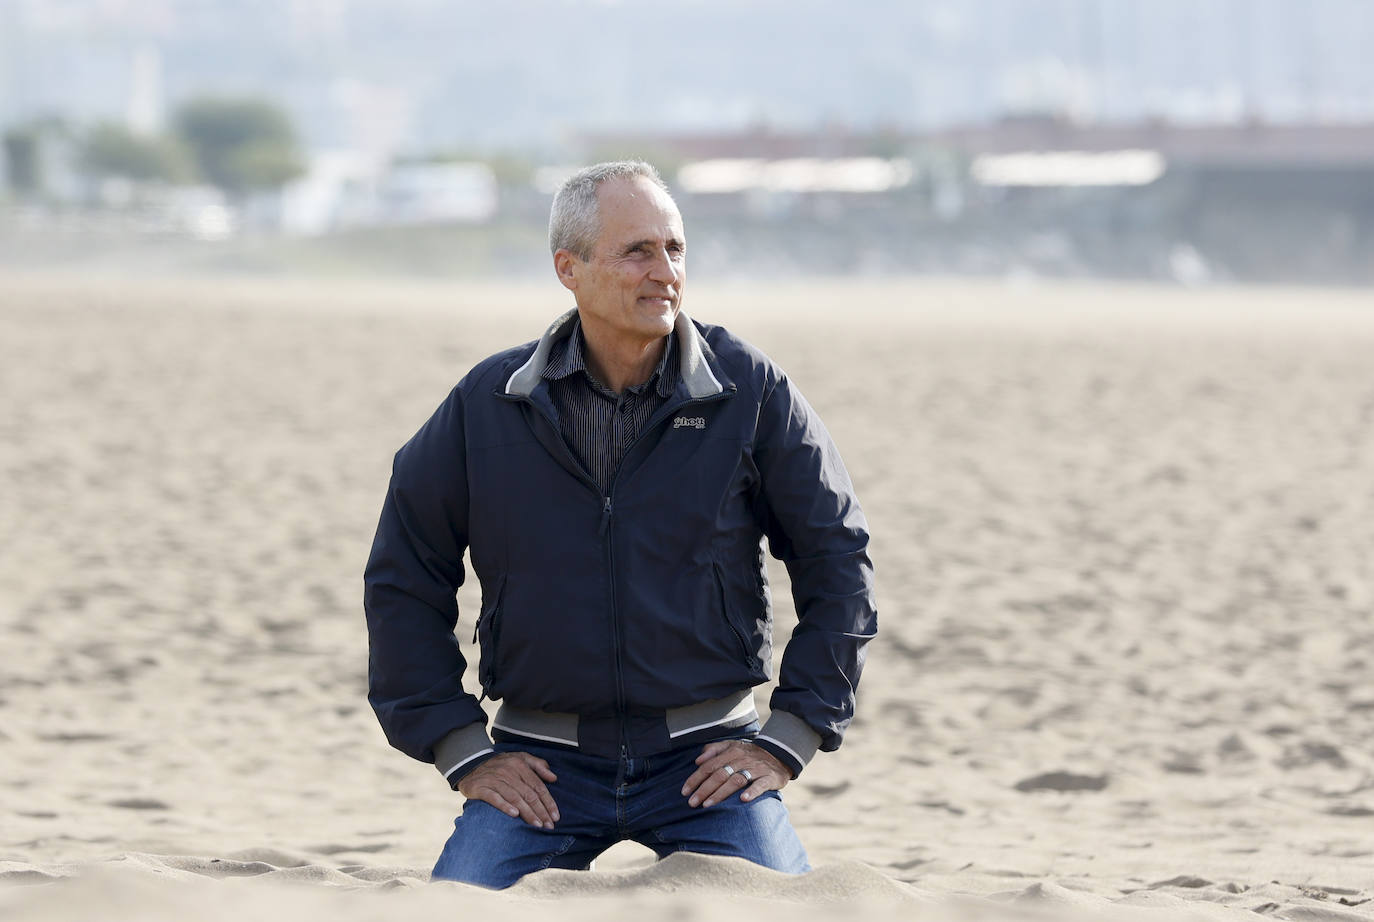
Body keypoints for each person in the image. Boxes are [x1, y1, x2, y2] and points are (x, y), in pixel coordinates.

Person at [363, 160, 876, 890]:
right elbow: (403, 575)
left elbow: (838, 556)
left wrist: (790, 737)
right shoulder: (488, 403)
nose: (664, 270)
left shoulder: (747, 391)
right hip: (540, 768)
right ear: (567, 268)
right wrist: (461, 747)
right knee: (453, 908)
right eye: (637, 251)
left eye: (674, 249)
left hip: (709, 763)